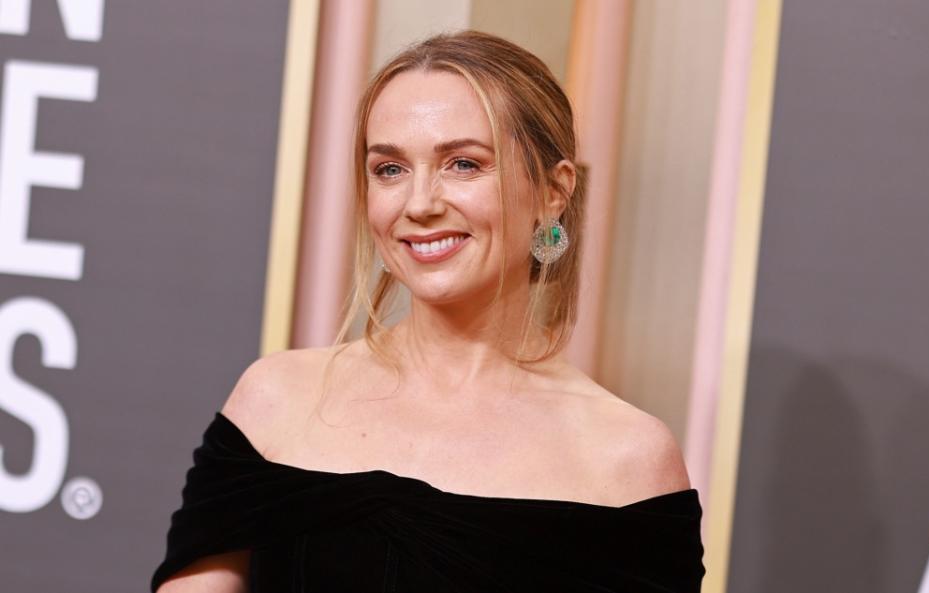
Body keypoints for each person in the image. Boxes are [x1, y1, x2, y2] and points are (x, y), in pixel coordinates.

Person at [151, 30, 705, 592]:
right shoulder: (275, 400)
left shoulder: (625, 460)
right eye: (389, 169)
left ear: (552, 192)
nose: (419, 204)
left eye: (463, 164)